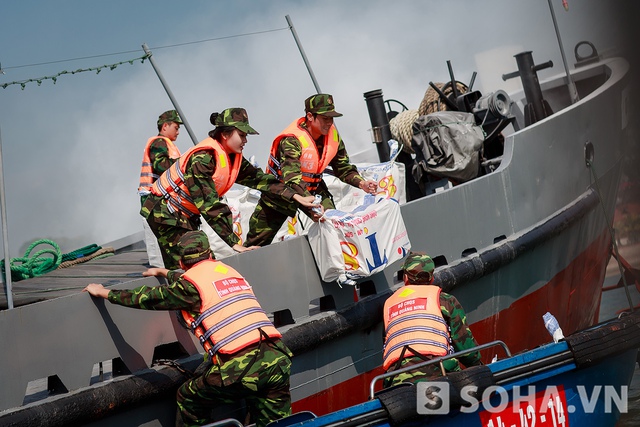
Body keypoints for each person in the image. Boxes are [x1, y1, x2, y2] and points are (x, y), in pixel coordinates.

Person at [83, 230, 293, 427]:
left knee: (189, 397)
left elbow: (150, 297)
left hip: (242, 365)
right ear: (210, 254)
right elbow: (195, 280)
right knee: (277, 421)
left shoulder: (189, 286)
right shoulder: (227, 271)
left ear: (182, 262)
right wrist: (164, 272)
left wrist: (105, 293)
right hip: (277, 357)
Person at [141, 107, 317, 270]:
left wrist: (295, 196)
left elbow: (261, 179)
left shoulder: (233, 158)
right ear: (225, 135)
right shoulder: (203, 159)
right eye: (241, 135)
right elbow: (209, 205)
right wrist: (234, 244)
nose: (245, 140)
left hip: (183, 215)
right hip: (164, 213)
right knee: (193, 264)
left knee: (198, 264)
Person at [245, 93, 378, 247]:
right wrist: (312, 206)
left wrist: (362, 183)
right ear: (310, 116)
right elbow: (292, 178)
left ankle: (342, 266)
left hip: (313, 188)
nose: (329, 123)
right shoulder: (291, 140)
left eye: (332, 118)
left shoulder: (332, 136)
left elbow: (343, 168)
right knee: (255, 245)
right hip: (280, 193)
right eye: (325, 118)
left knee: (332, 225)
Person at [382, 252, 482, 387]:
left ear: (405, 278)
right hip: (438, 372)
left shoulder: (389, 306)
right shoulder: (444, 300)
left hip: (397, 380)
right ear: (431, 278)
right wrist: (479, 368)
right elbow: (466, 347)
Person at [138, 110, 184, 267]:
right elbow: (161, 166)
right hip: (155, 199)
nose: (178, 132)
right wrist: (184, 167)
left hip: (157, 198)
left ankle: (175, 272)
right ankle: (178, 273)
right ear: (165, 126)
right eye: (176, 127)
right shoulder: (159, 143)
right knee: (172, 241)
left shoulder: (166, 144)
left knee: (170, 243)